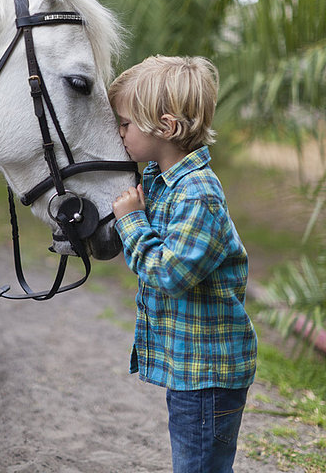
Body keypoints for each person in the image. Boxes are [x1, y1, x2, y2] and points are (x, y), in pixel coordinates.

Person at [108, 55, 257, 473]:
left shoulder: (198, 195)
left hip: (207, 375)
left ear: (167, 127)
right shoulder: (163, 181)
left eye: (124, 124)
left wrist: (132, 222)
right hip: (190, 368)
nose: (118, 134)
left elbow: (169, 273)